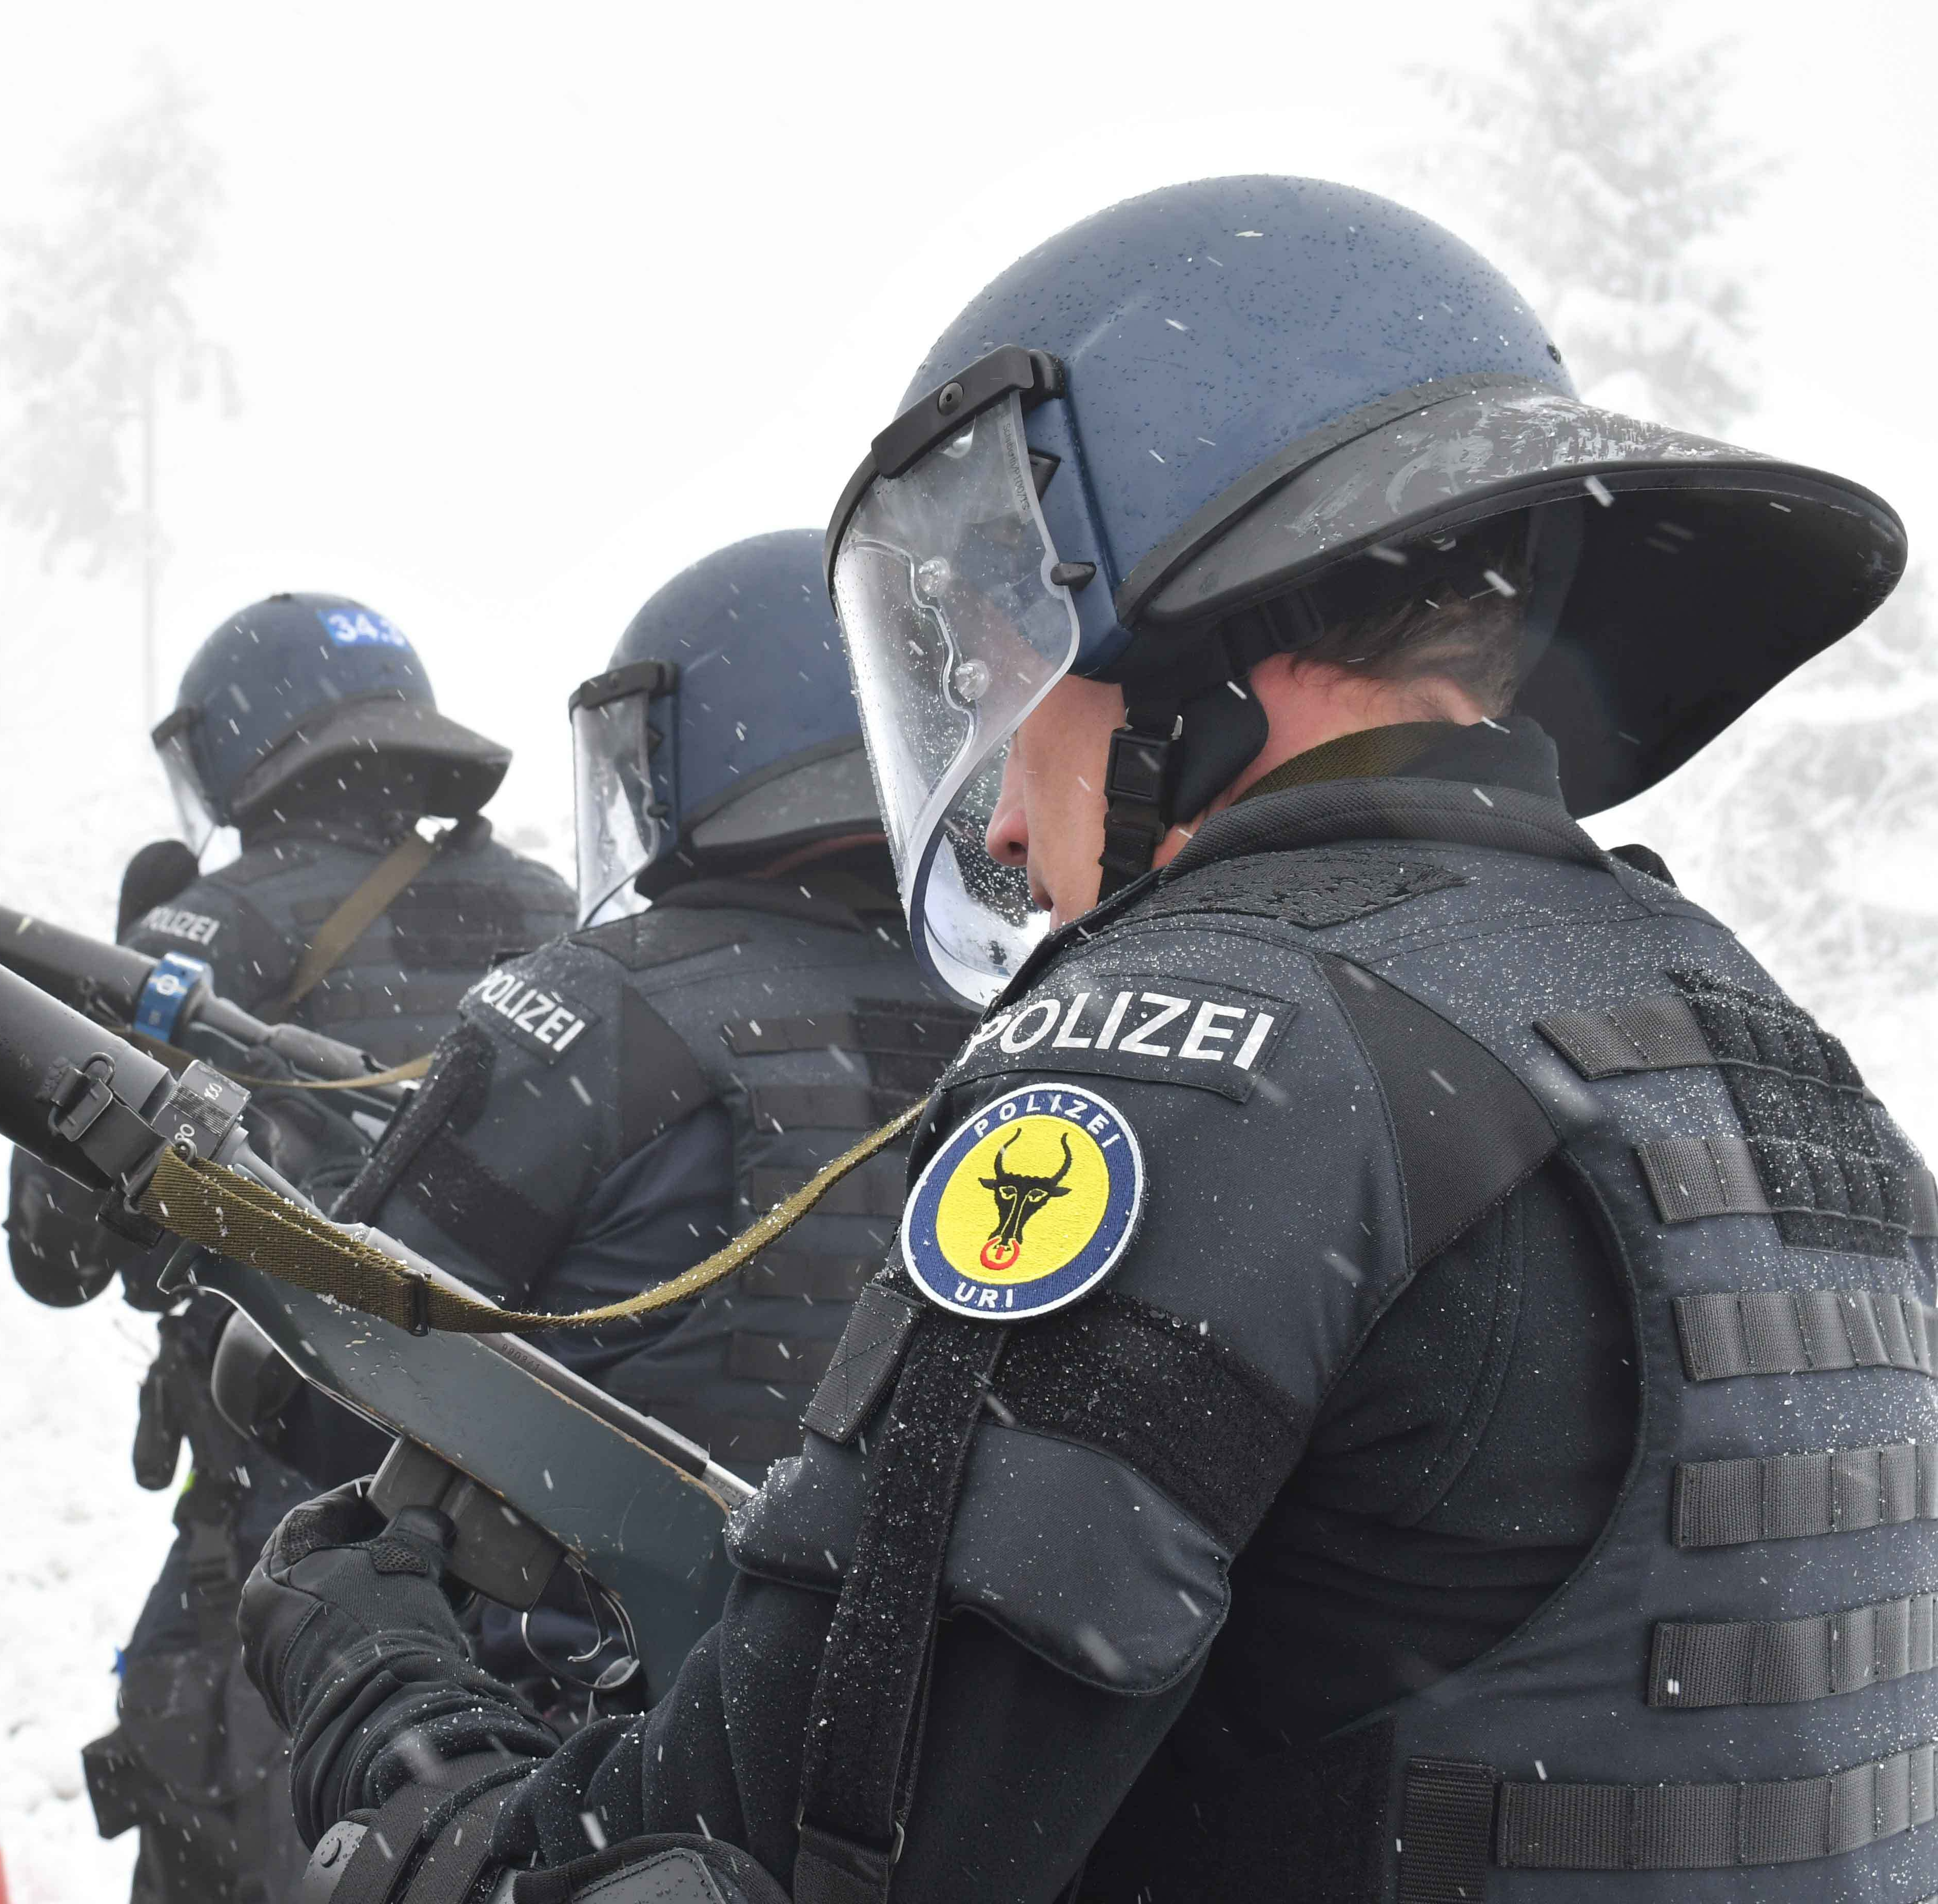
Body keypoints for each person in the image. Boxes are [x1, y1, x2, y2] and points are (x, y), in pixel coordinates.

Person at [236, 176, 1932, 1904]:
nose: (986, 826)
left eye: (998, 670)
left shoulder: (1203, 1063)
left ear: (1172, 618)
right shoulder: (1754, 1045)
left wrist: (389, 1703)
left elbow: (762, 1866)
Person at [17, 591, 574, 1904]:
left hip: (299, 1513)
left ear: (242, 742)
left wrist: (113, 979)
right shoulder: (557, 915)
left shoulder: (207, 930)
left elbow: (51, 1255)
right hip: (530, 1512)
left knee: (231, 1814)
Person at [333, 528, 977, 1489]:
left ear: (695, 737)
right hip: (885, 1629)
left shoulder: (600, 1004)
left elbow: (342, 1360)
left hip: (560, 1635)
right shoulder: (1028, 1003)